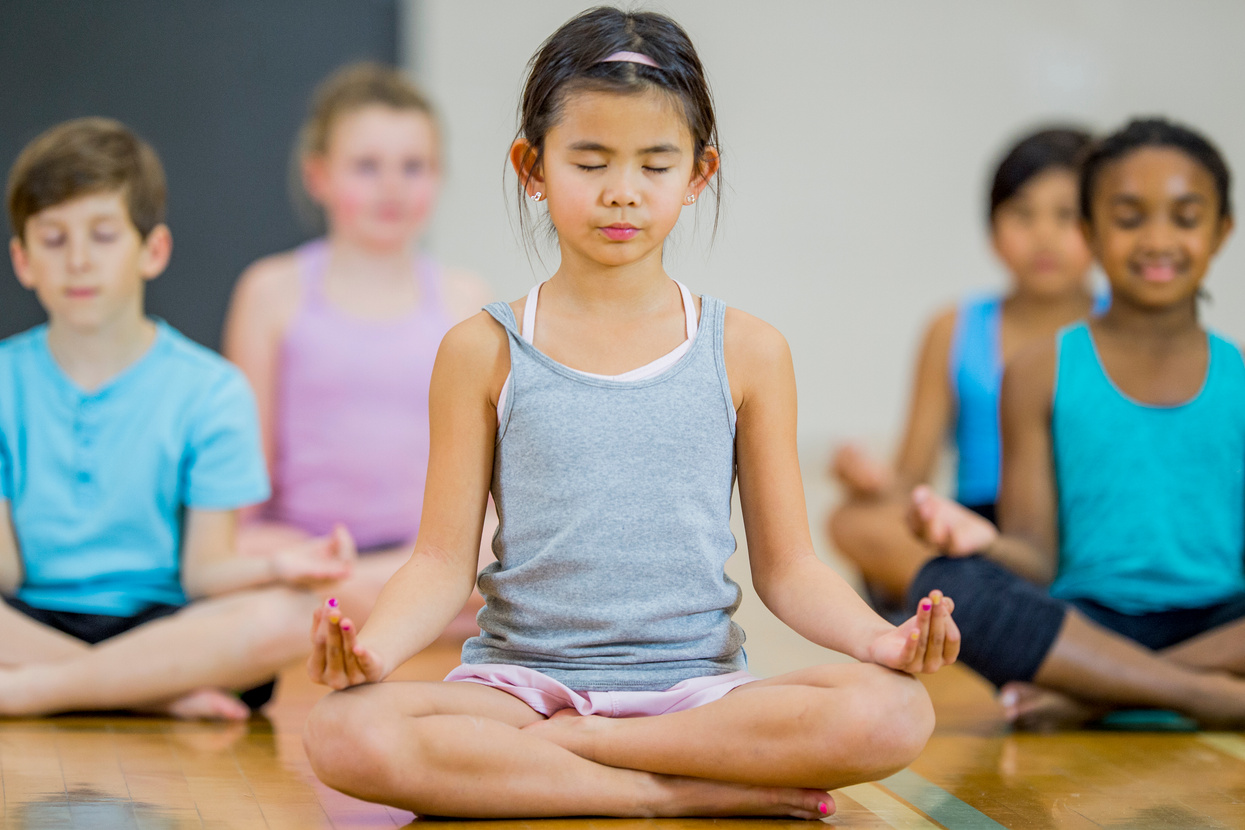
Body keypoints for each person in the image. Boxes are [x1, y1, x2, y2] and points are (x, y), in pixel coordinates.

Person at [299, 7, 960, 820]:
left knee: (894, 710)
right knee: (341, 732)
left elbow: (789, 570)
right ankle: (676, 794)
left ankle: (573, 763)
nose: (622, 191)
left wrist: (879, 640)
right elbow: (440, 566)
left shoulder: (748, 351)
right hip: (518, 691)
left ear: (698, 174)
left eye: (655, 164)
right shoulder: (481, 350)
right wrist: (374, 652)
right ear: (531, 166)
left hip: (695, 697)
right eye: (589, 160)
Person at [0, 118, 354, 720]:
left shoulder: (210, 390)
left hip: (165, 622)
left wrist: (275, 567)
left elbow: (203, 573)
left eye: (103, 235)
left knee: (298, 613)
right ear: (24, 260)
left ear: (153, 250)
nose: (79, 260)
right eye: (54, 240)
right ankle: (151, 691)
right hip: (28, 619)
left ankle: (40, 691)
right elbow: (6, 572)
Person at [907, 117, 1245, 730]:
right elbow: (1036, 555)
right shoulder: (1039, 370)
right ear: (1090, 231)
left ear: (1222, 231)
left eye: (1185, 217)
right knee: (945, 583)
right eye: (1129, 217)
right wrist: (982, 542)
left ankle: (1104, 694)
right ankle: (1203, 697)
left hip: (1219, 620)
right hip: (1085, 622)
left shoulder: (1239, 374)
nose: (1158, 240)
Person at [223, 63, 493, 628]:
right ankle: (403, 610)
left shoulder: (465, 297)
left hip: (428, 550)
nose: (392, 186)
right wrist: (254, 554)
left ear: (438, 176)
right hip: (303, 547)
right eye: (367, 167)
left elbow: (483, 477)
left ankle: (355, 603)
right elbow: (244, 476)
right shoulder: (270, 291)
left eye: (413, 167)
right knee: (227, 552)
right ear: (318, 174)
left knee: (501, 551)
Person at [829, 127, 1100, 613]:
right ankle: (1031, 622)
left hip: (1089, 521)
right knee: (853, 522)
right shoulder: (953, 327)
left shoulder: (1124, 327)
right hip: (978, 529)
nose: (1044, 234)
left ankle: (991, 624)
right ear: (992, 229)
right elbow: (913, 478)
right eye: (1022, 213)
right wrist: (869, 481)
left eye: (1067, 215)